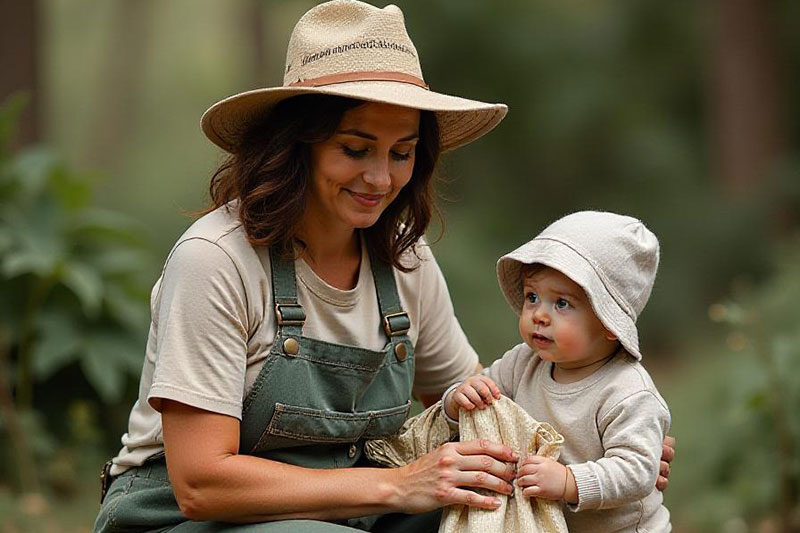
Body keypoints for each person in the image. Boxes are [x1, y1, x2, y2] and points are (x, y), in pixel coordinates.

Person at [93, 1, 674, 532]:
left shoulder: (406, 260)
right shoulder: (216, 261)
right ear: (298, 143)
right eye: (355, 148)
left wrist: (598, 455)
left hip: (356, 515)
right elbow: (200, 483)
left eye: (401, 153)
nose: (380, 179)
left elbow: (482, 413)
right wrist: (397, 484)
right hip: (180, 520)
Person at [443, 211, 672, 532]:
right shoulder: (523, 362)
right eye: (532, 297)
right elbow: (484, 401)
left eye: (561, 303)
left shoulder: (627, 391)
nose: (539, 315)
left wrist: (569, 481)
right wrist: (458, 401)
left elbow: (638, 471)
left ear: (609, 324)